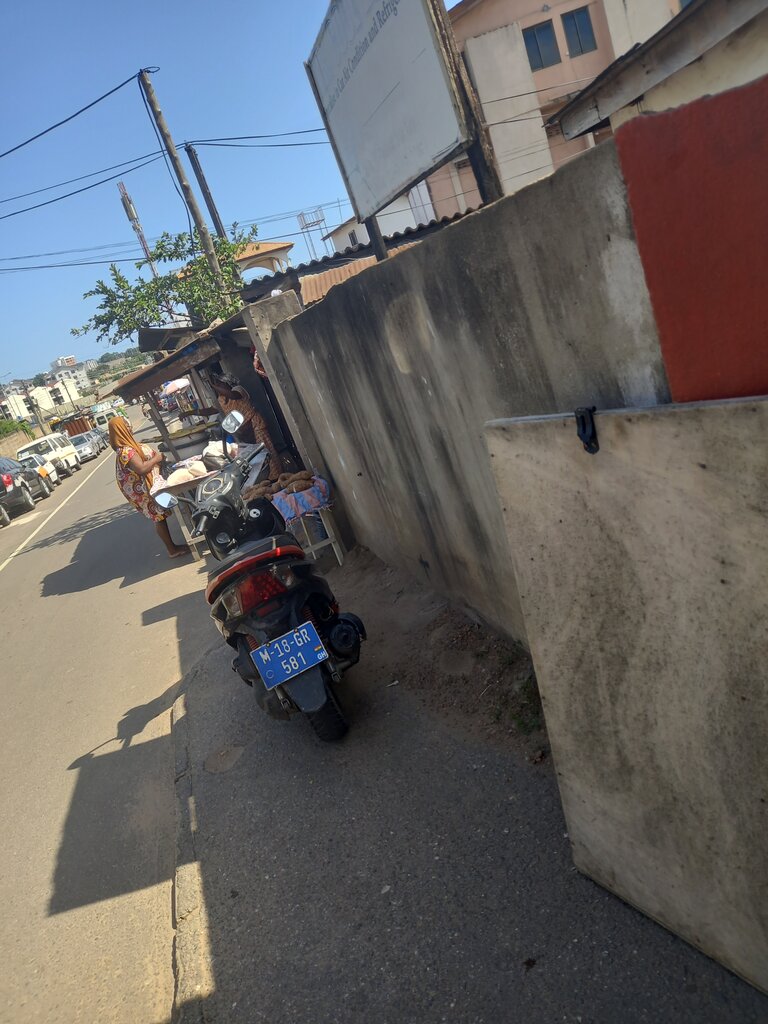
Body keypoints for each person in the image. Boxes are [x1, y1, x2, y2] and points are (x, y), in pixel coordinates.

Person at [108, 417, 189, 559]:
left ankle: (173, 547)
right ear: (120, 430)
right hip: (143, 489)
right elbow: (141, 468)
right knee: (159, 517)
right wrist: (157, 459)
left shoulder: (128, 447)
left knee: (160, 516)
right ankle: (172, 550)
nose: (130, 428)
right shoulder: (126, 451)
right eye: (127, 426)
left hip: (146, 486)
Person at [178, 372, 284, 480]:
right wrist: (189, 413)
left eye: (220, 384)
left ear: (227, 383)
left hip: (255, 425)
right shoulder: (221, 399)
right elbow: (210, 410)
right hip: (242, 432)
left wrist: (212, 385)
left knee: (266, 451)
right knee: (255, 457)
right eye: (217, 385)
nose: (218, 387)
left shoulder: (238, 390)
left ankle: (277, 476)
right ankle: (266, 479)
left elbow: (233, 396)